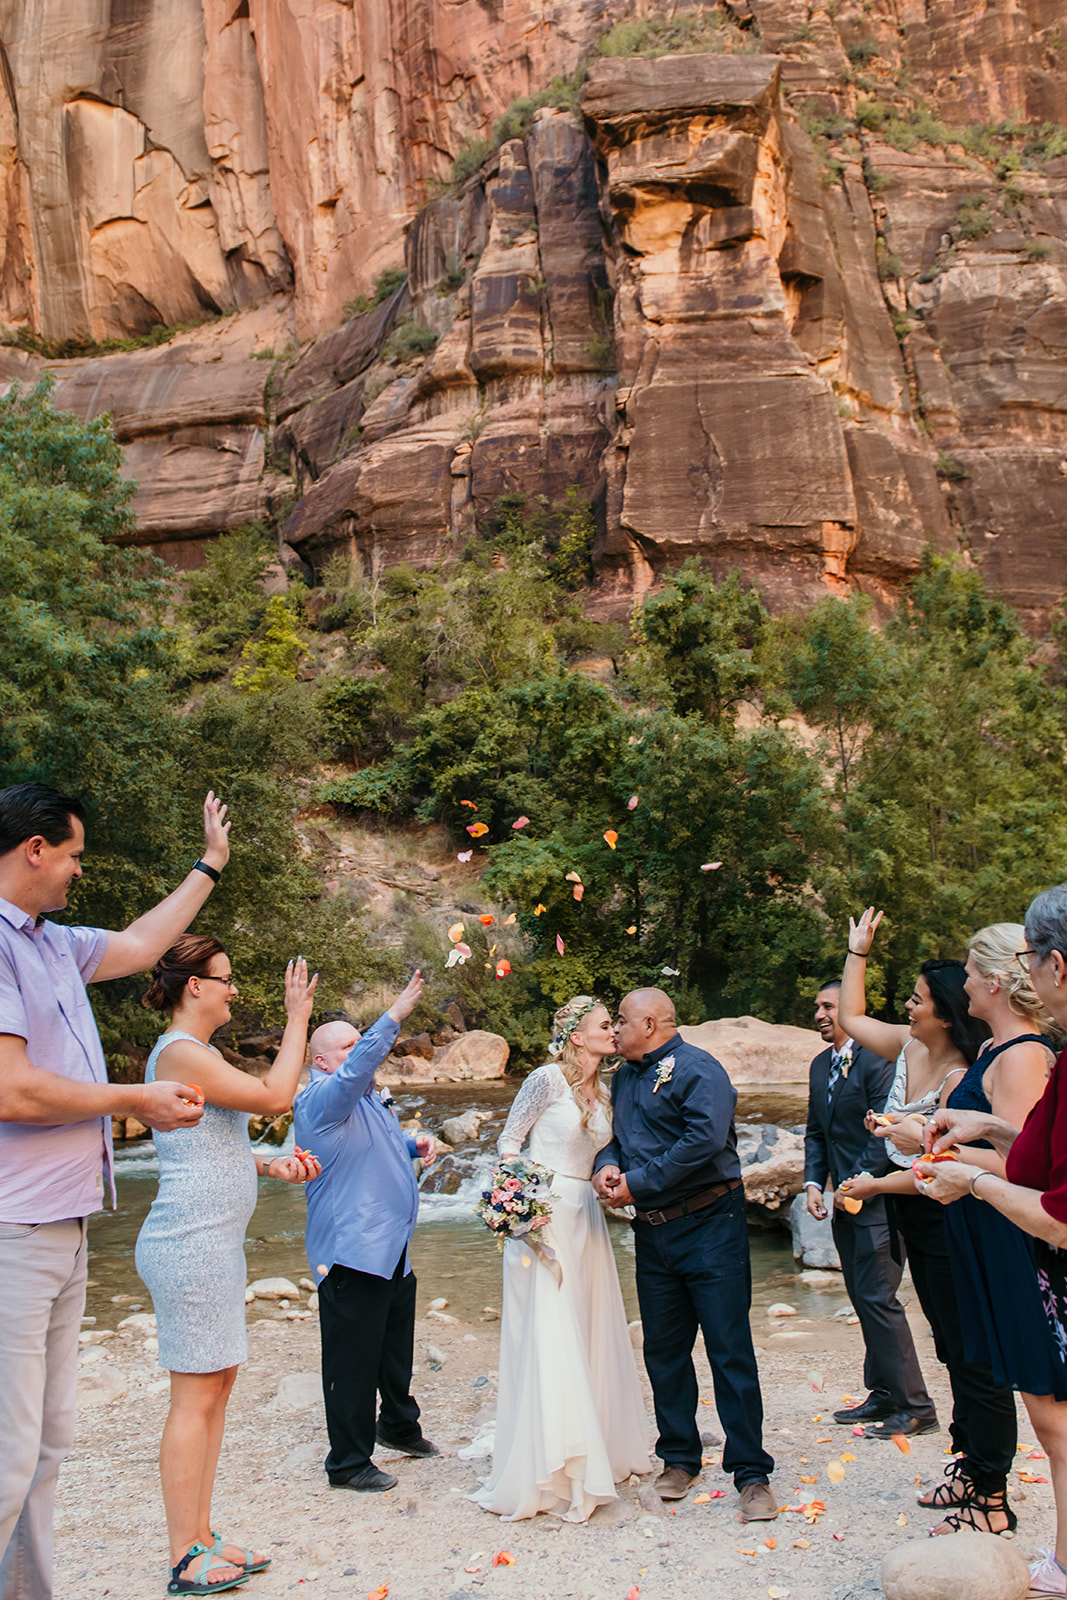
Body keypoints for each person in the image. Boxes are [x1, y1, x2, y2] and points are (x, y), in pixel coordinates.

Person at [0, 783, 227, 1600]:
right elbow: (12, 1089)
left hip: (64, 1221)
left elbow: (139, 942)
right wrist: (135, 1099)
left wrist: (209, 865)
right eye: (72, 856)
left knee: (46, 1445)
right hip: (11, 1225)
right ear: (34, 850)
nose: (76, 873)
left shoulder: (55, 943)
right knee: (8, 1452)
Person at [136, 937, 322, 1596]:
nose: (234, 990)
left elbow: (201, 1155)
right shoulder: (183, 1052)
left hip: (207, 1242)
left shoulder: (199, 1055)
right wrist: (297, 1015)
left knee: (216, 1388)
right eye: (226, 980)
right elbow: (276, 1096)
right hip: (189, 1244)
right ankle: (185, 1555)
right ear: (194, 988)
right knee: (194, 1397)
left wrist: (267, 1164)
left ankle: (203, 1534)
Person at [836, 909, 1018, 1519]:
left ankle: (987, 1480)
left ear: (945, 1011)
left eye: (916, 999)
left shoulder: (968, 1072)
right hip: (916, 1205)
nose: (907, 1008)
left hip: (945, 1208)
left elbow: (955, 1160)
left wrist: (882, 1182)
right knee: (949, 1343)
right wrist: (857, 952)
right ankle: (970, 1463)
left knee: (969, 1348)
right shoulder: (911, 1043)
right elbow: (854, 1018)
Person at [917, 884, 1067, 1594]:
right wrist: (979, 1132)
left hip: (1028, 1246)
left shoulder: (1028, 1055)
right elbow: (1033, 1154)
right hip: (1008, 1235)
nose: (962, 985)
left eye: (971, 973)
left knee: (1052, 1412)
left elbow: (1042, 1193)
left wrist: (965, 1172)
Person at [593, 988, 777, 1519]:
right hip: (653, 1232)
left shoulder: (700, 1071)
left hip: (710, 1224)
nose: (615, 1030)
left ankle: (751, 1471)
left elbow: (703, 1141)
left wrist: (638, 1182)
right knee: (664, 1349)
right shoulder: (625, 1076)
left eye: (622, 1021)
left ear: (650, 1023)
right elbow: (616, 1138)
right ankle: (679, 1456)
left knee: (728, 1347)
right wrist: (607, 1164)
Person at [471, 996, 651, 1522]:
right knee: (550, 1330)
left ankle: (598, 1445)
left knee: (587, 1324)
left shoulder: (606, 1090)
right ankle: (552, 1467)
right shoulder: (545, 1079)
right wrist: (521, 1205)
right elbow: (509, 1142)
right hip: (544, 1217)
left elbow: (605, 1152)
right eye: (603, 1025)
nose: (613, 1032)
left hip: (586, 1217)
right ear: (577, 1036)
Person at [294, 973, 439, 1494]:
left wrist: (412, 1147)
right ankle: (348, 1462)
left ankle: (398, 1426)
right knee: (352, 1360)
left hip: (392, 1249)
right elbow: (358, 1071)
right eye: (348, 1046)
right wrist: (394, 1013)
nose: (358, 1054)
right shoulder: (319, 1102)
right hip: (353, 1253)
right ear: (322, 1061)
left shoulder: (368, 1102)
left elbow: (372, 1148)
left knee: (393, 1350)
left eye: (360, 1042)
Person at [802, 979, 934, 1431]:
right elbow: (817, 1132)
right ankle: (882, 1394)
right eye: (817, 1007)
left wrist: (859, 1182)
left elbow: (886, 1134)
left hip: (880, 1197)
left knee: (879, 1298)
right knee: (863, 1299)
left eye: (828, 1006)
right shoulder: (821, 1065)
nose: (820, 1014)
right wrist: (814, 1185)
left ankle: (916, 1407)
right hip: (842, 1201)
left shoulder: (881, 1061)